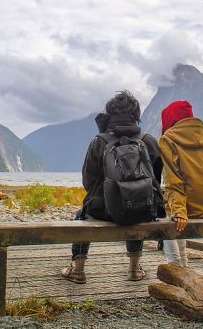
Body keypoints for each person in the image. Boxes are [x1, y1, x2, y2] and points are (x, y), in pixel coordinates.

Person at [60, 90, 164, 284]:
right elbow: (155, 180)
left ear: (110, 114)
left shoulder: (99, 141)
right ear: (136, 115)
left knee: (82, 215)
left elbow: (88, 181)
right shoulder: (148, 141)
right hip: (141, 209)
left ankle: (78, 270)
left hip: (103, 210)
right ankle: (134, 269)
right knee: (137, 204)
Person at [159, 100, 203, 265]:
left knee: (167, 212)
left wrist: (179, 211)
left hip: (187, 211)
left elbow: (173, 180)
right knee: (175, 208)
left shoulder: (167, 139)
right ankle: (184, 263)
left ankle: (174, 264)